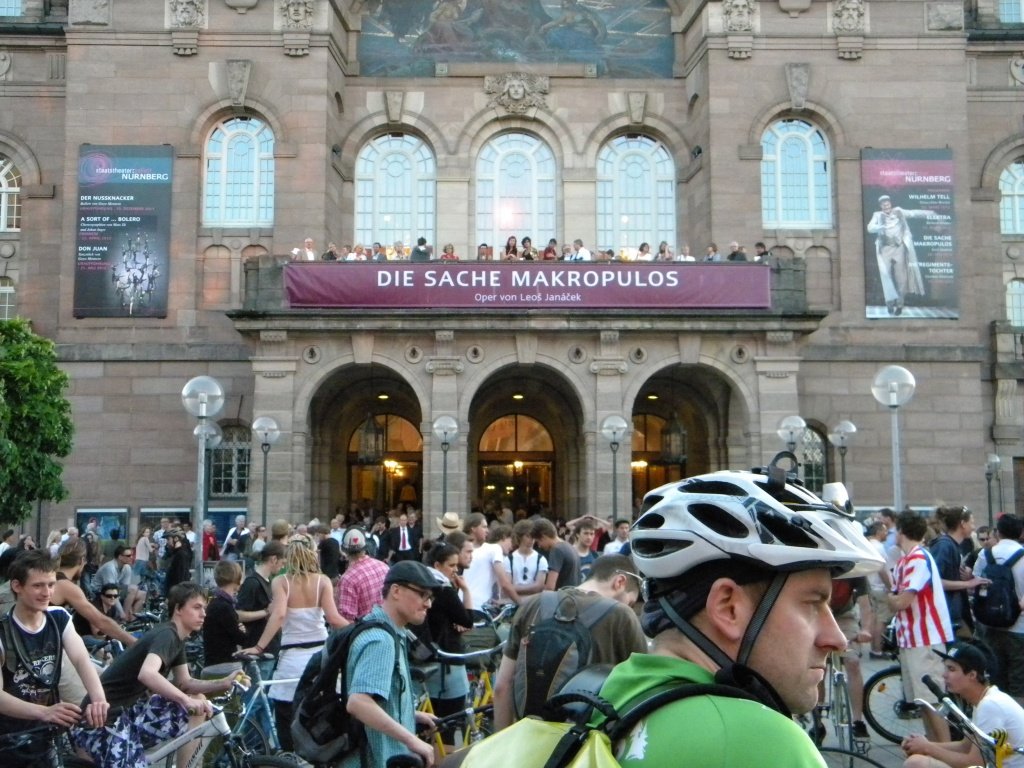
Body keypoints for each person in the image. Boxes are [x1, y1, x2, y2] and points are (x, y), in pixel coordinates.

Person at [578, 469, 883, 766]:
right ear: (728, 608)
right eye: (812, 604)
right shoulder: (759, 741)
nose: (837, 639)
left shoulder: (615, 690)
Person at [73, 581, 241, 768]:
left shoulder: (177, 638)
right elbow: (147, 674)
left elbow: (185, 682)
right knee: (190, 703)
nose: (203, 614)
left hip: (126, 713)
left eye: (204, 608)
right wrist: (185, 700)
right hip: (102, 720)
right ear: (178, 609)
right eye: (196, 607)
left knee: (198, 701)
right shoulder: (167, 635)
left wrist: (224, 682)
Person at [492, 553, 648, 731]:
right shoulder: (622, 616)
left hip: (529, 733)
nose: (629, 606)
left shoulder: (533, 605)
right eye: (631, 602)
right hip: (585, 741)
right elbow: (643, 691)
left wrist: (503, 740)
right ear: (619, 581)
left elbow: (502, 686)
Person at [0, 550, 109, 759]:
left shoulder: (58, 617)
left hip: (47, 733)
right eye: (38, 586)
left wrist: (98, 699)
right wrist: (46, 712)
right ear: (17, 586)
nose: (46, 593)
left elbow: (81, 659)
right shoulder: (3, 632)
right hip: (10, 738)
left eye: (51, 585)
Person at [242, 534, 348, 750]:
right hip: (319, 657)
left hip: (291, 659)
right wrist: (360, 629)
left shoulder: (281, 582)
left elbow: (279, 615)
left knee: (286, 718)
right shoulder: (322, 581)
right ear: (312, 554)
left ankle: (289, 757)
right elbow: (334, 619)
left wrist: (259, 647)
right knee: (321, 714)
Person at [340, 560, 441, 768]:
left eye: (430, 597)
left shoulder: (389, 630)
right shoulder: (381, 640)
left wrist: (411, 715)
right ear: (396, 591)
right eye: (422, 594)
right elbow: (358, 702)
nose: (428, 604)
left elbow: (378, 700)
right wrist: (412, 740)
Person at [901, 642, 1024, 768]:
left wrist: (927, 748)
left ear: (972, 675)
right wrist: (921, 744)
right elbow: (965, 746)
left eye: (951, 669)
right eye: (946, 668)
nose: (944, 675)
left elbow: (976, 763)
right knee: (918, 760)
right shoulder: (984, 700)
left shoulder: (990, 705)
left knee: (916, 763)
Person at [890, 510, 955, 742]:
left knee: (932, 699)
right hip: (912, 637)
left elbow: (901, 601)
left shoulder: (917, 559)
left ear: (901, 531)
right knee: (923, 700)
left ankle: (945, 750)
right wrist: (894, 599)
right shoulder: (906, 560)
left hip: (925, 637)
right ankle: (936, 749)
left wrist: (891, 598)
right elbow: (897, 599)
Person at [413, 542, 474, 728]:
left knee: (428, 722)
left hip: (423, 655)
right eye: (451, 565)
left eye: (457, 565)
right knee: (450, 722)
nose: (455, 570)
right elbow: (467, 620)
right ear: (437, 565)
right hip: (446, 660)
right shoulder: (444, 589)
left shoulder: (419, 584)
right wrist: (465, 590)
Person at [974, 513, 1024, 706]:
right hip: (1019, 628)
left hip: (990, 624)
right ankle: (1018, 720)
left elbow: (975, 582)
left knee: (996, 680)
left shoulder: (985, 555)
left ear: (997, 532)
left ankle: (998, 720)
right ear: (1020, 532)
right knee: (1019, 682)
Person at [867, 194, 933, 315]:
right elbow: (870, 228)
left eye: (887, 204)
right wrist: (879, 227)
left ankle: (899, 304)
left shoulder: (898, 211)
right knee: (886, 276)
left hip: (899, 248)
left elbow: (914, 213)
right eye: (883, 205)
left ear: (890, 204)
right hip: (885, 249)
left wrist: (932, 213)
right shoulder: (877, 215)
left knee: (901, 278)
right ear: (881, 206)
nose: (886, 206)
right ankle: (889, 304)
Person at [930, 505, 986, 639]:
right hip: (947, 613)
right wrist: (969, 583)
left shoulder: (951, 545)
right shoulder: (944, 545)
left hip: (954, 611)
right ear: (962, 524)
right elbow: (934, 581)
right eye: (971, 522)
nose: (973, 527)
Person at [236, 539, 283, 681]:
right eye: (282, 563)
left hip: (269, 647)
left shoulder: (269, 582)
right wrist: (266, 612)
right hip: (257, 646)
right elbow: (238, 614)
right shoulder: (252, 583)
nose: (282, 567)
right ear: (274, 559)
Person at [202, 560, 251, 666]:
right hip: (223, 664)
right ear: (235, 578)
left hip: (214, 661)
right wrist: (244, 631)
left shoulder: (216, 602)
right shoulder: (225, 607)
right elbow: (240, 638)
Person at [337, 527, 390, 622]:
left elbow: (347, 621)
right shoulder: (384, 566)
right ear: (365, 547)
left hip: (366, 629)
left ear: (344, 551)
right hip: (389, 626)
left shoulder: (348, 579)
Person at [503, 520, 548, 599]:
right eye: (528, 536)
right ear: (520, 537)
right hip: (513, 601)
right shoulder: (509, 559)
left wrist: (514, 588)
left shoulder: (541, 559)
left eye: (533, 537)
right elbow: (507, 587)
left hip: (534, 602)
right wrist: (531, 588)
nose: (531, 540)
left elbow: (539, 587)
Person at [531, 518, 580, 591]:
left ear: (543, 537)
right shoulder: (570, 547)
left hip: (563, 596)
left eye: (538, 542)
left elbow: (550, 587)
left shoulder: (556, 550)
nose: (539, 546)